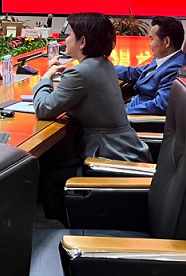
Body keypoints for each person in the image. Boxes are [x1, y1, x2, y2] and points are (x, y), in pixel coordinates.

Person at [32, 12, 152, 223]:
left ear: (82, 41)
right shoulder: (104, 64)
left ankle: (73, 231)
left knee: (51, 180)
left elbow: (43, 108)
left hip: (110, 156)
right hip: (127, 149)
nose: (65, 40)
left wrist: (46, 77)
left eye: (69, 35)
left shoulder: (80, 73)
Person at [115, 16, 186, 115]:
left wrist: (123, 113)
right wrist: (109, 67)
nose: (150, 44)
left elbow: (159, 105)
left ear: (166, 41)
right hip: (133, 103)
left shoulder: (175, 69)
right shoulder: (161, 58)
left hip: (136, 114)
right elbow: (136, 73)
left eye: (152, 39)